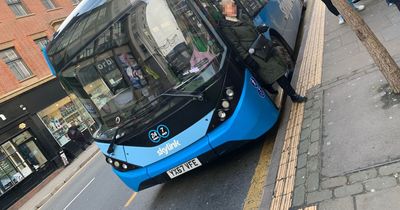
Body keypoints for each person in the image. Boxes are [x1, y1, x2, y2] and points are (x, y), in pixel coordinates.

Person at [218, 0, 307, 103]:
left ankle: (271, 85)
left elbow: (252, 29)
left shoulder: (242, 16)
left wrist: (259, 29)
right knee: (277, 73)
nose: (233, 8)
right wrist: (247, 58)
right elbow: (236, 45)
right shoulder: (226, 28)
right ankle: (293, 95)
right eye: (230, 7)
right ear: (224, 11)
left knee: (277, 68)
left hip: (263, 46)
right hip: (255, 55)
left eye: (233, 5)